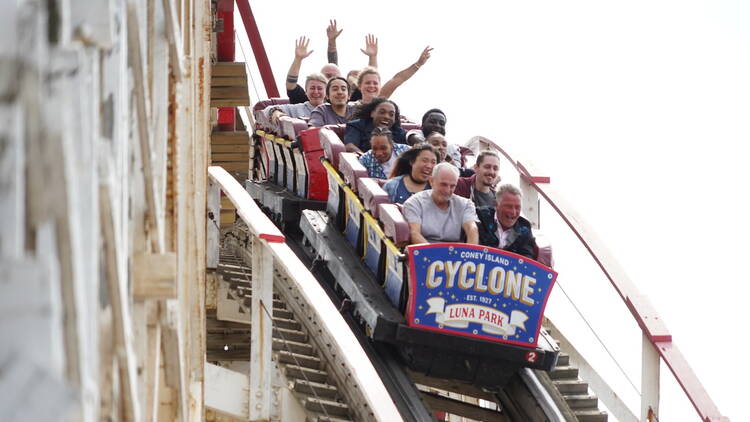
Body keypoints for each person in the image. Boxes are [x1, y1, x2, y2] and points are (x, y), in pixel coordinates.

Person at [403, 162, 479, 245]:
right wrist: (437, 255)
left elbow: (472, 229)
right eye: (443, 185)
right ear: (431, 181)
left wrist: (469, 254)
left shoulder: (466, 204)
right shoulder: (414, 203)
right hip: (425, 251)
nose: (447, 190)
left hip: (457, 254)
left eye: (452, 186)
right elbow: (414, 233)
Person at [353, 45, 432, 105]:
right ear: (359, 86)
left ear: (380, 86)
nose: (371, 86)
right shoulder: (350, 107)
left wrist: (418, 64)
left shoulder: (381, 105)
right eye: (367, 83)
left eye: (375, 83)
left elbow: (398, 79)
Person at [476, 184, 537, 259]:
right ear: (496, 205)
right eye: (509, 206)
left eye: (517, 207)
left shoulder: (524, 227)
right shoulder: (481, 217)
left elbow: (527, 258)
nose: (513, 212)